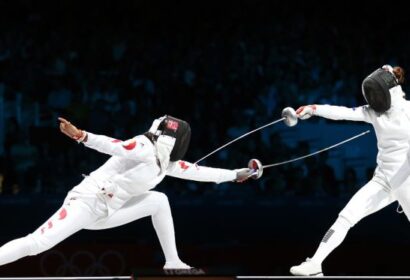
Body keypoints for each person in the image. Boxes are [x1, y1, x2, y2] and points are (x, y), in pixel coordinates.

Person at [0, 115, 260, 270]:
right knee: (36, 244)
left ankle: (173, 262)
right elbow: (116, 146)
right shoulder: (145, 146)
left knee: (159, 201)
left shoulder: (164, 162)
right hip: (86, 202)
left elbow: (199, 172)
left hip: (106, 212)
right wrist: (81, 136)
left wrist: (236, 174)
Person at [289, 65, 410, 276]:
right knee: (346, 216)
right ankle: (315, 264)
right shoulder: (373, 111)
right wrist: (313, 108)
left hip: (407, 179)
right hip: (383, 180)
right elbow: (342, 113)